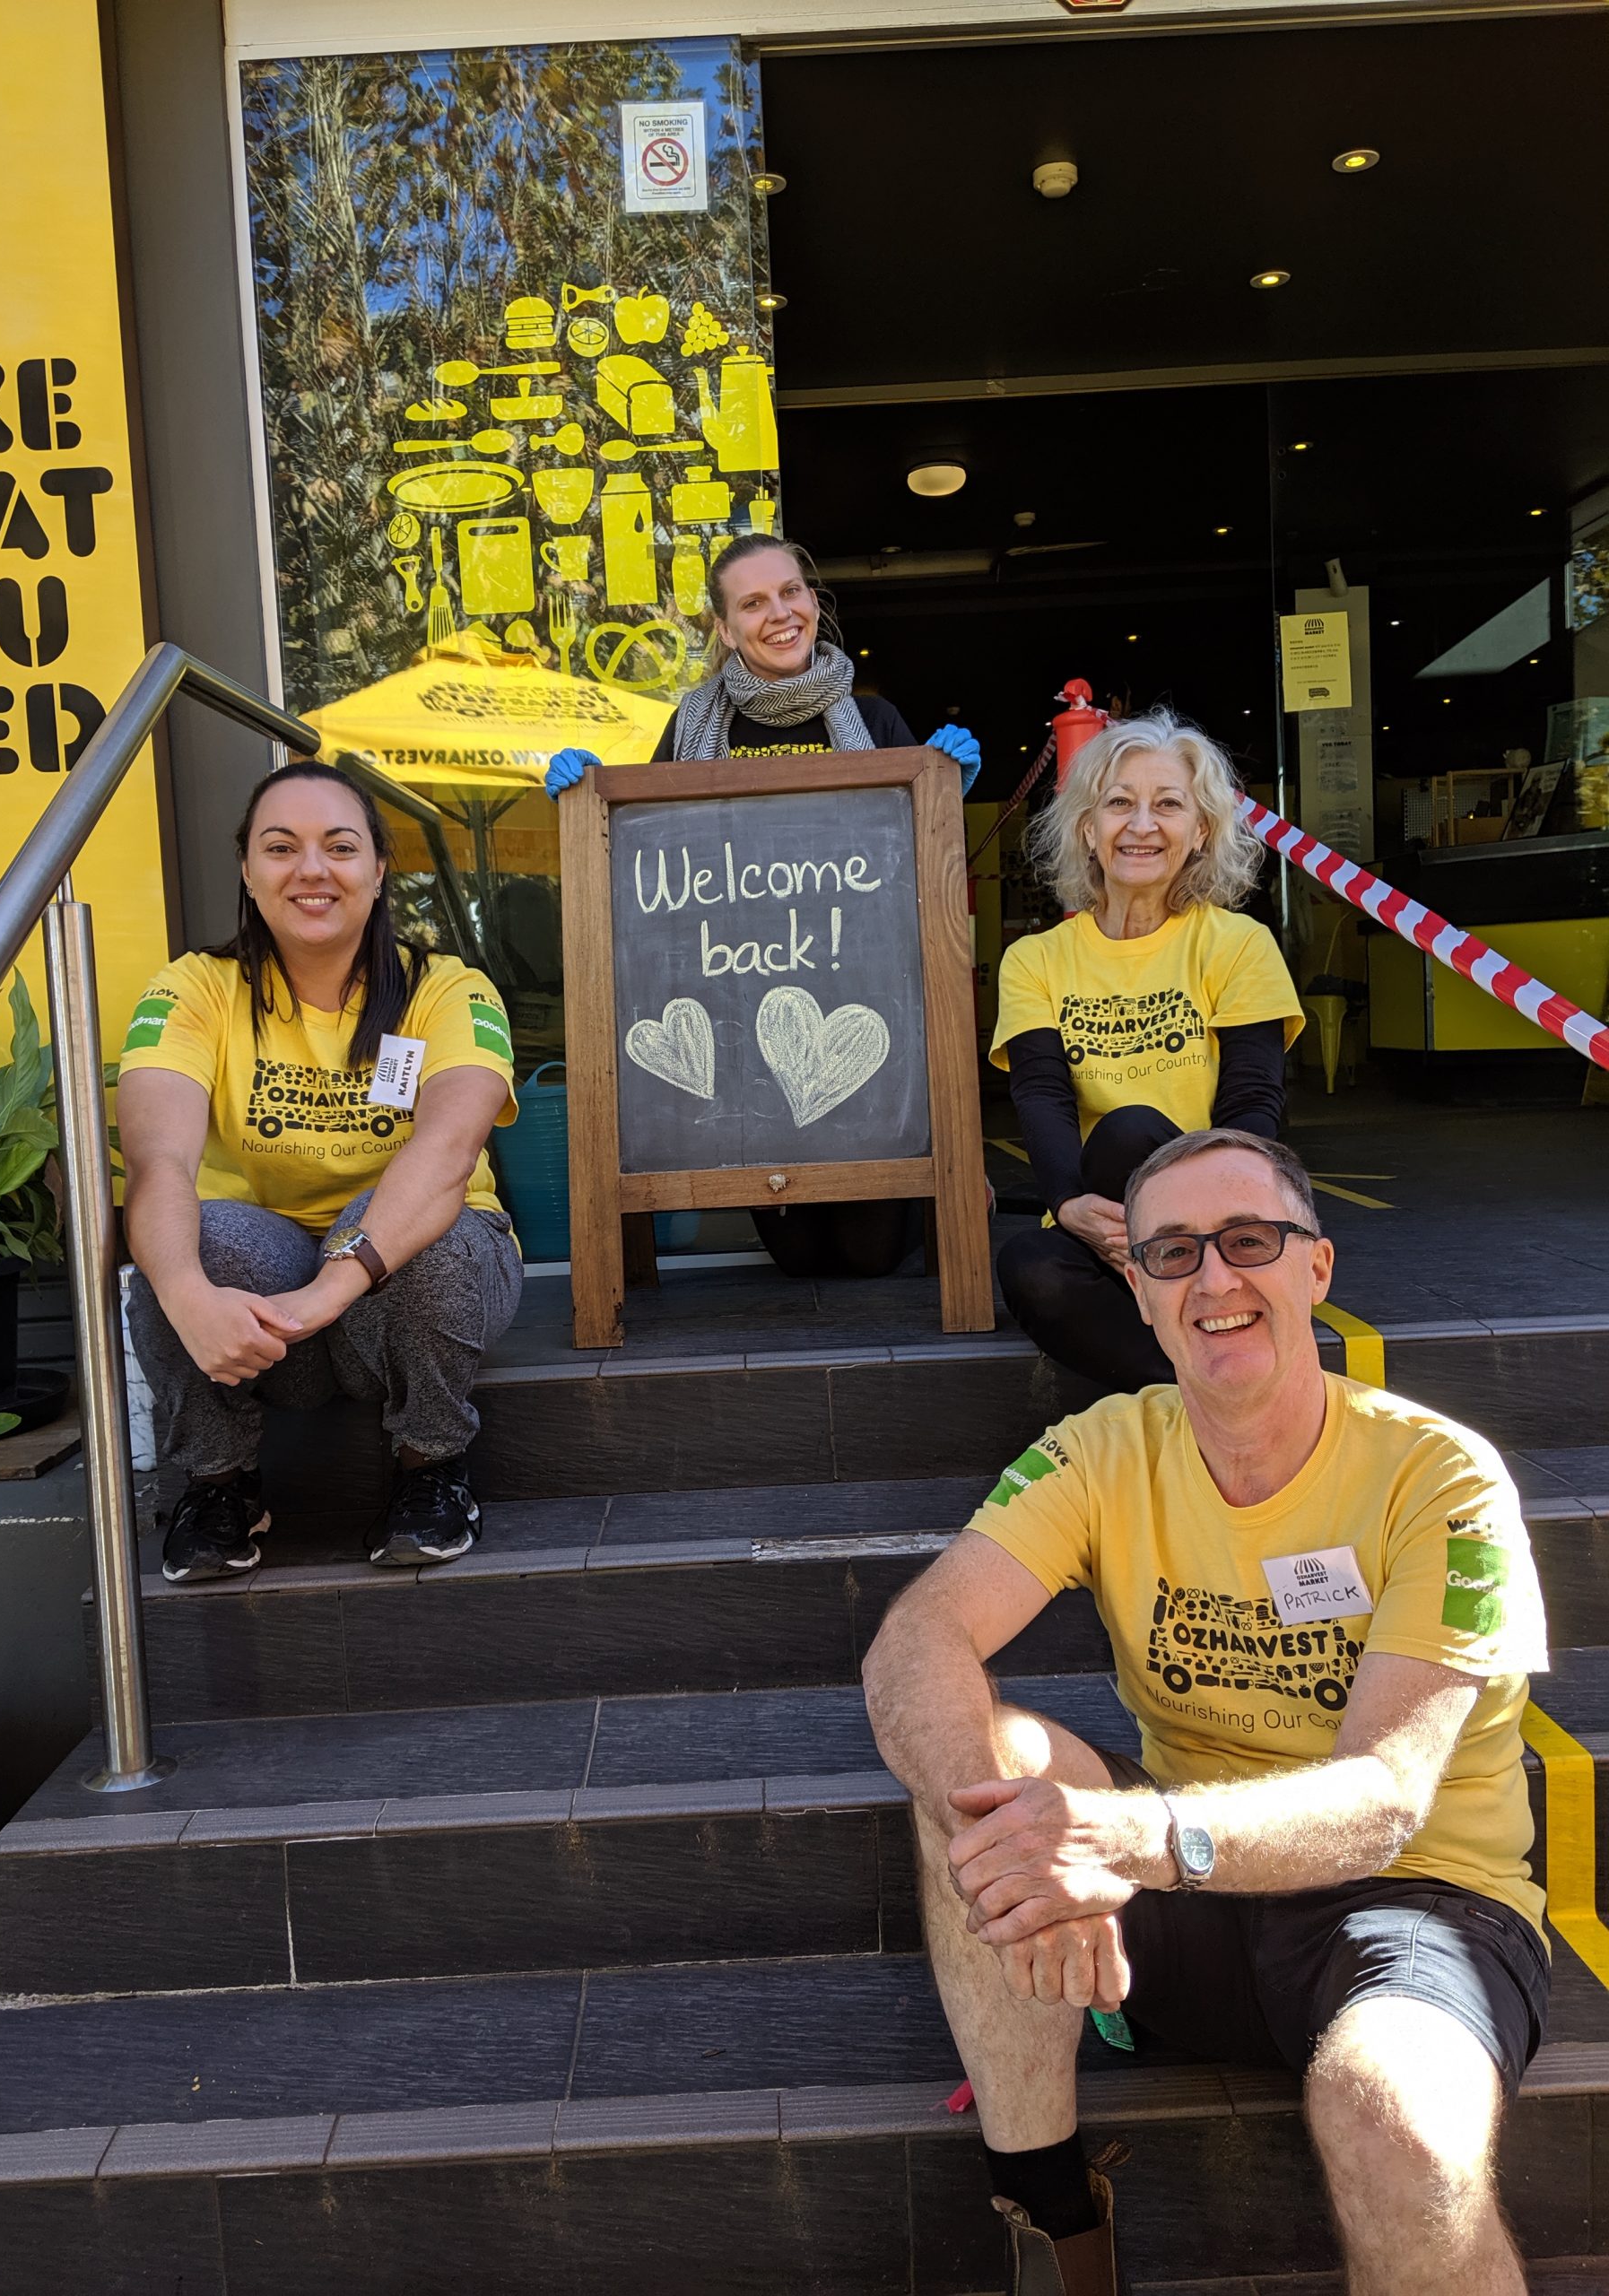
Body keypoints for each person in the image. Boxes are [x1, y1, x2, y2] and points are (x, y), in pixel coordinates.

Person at [864, 1128, 1548, 2296]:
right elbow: (916, 1639)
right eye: (1172, 1252)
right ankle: (1056, 2221)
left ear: (1315, 1270)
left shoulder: (1440, 1475)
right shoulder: (1101, 1450)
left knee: (1403, 2125)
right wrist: (1024, 1838)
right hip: (1192, 1904)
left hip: (1414, 1908)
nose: (1214, 1280)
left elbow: (1380, 1804)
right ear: (1135, 1287)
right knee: (991, 1768)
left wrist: (1121, 1841)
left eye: (1248, 1242)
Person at [118, 761, 523, 1582]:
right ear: (247, 869)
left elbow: (447, 1154)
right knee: (195, 1239)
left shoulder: (444, 989)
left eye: (340, 847)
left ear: (378, 871)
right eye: (281, 847)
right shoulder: (195, 990)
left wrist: (332, 1288)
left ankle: (431, 1466)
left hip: (398, 1295)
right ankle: (218, 1484)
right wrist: (191, 1300)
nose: (311, 870)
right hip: (272, 1320)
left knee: (429, 1229)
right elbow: (159, 1161)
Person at [545, 532, 981, 1279]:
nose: (779, 613)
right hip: (741, 1018)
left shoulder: (875, 724)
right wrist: (592, 801)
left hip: (861, 1021)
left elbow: (915, 867)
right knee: (800, 1259)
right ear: (724, 627)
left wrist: (948, 790)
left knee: (869, 1258)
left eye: (791, 592)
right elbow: (645, 868)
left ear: (814, 601)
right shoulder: (692, 730)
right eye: (753, 603)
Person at [994, 710, 1302, 1396]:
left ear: (1200, 832)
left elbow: (1253, 1103)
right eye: (1118, 804)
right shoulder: (1034, 960)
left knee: (1131, 1129)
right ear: (1086, 828)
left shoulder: (1238, 944)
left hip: (1215, 1220)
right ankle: (1215, 1389)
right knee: (1029, 1266)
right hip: (1102, 1224)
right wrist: (1068, 1202)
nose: (1141, 825)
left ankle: (1189, 1382)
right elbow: (1040, 1092)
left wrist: (1219, 1228)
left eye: (1167, 805)